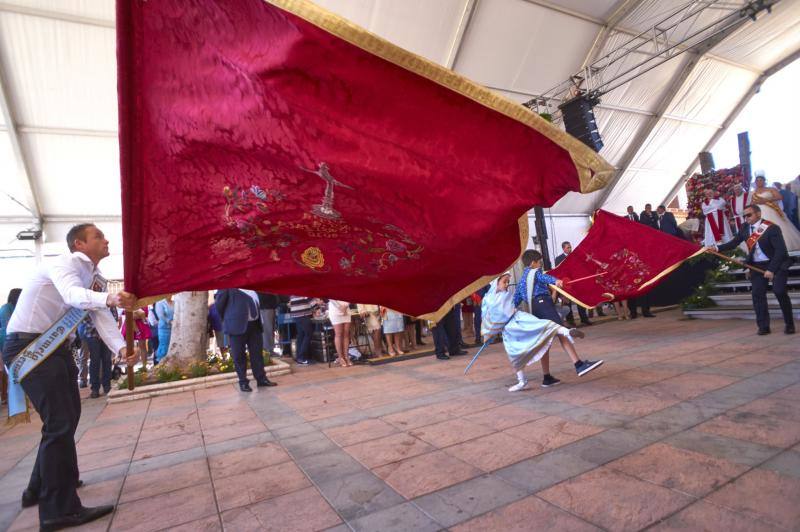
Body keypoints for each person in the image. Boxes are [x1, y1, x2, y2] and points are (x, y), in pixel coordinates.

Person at [2, 223, 138, 530]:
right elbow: (73, 295)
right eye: (98, 236)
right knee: (60, 423)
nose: (106, 240)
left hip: (55, 350)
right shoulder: (62, 264)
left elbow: (100, 316)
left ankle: (40, 487)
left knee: (65, 419)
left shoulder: (93, 277)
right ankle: (57, 510)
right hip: (31, 346)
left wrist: (119, 350)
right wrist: (110, 299)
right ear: (79, 244)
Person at [485, 272, 602, 391]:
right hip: (517, 323)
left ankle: (547, 375)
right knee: (518, 350)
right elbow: (494, 316)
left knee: (544, 333)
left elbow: (514, 303)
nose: (507, 285)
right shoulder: (532, 272)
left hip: (518, 322)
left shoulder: (516, 287)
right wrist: (556, 281)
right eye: (504, 282)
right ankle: (525, 380)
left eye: (507, 282)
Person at [515, 249, 604, 384]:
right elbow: (543, 277)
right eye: (539, 262)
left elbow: (515, 300)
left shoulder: (521, 281)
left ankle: (547, 377)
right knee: (561, 332)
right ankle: (578, 365)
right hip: (544, 304)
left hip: (535, 310)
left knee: (545, 342)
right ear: (533, 263)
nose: (540, 266)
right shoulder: (535, 272)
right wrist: (557, 281)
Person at [711, 204, 795, 335]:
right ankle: (763, 326)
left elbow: (780, 251)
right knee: (757, 295)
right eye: (744, 216)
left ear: (758, 214)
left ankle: (789, 324)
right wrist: (717, 248)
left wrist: (771, 270)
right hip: (756, 265)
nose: (746, 218)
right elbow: (734, 243)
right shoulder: (744, 228)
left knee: (779, 292)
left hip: (776, 264)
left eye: (749, 215)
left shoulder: (772, 228)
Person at [215, 289, 277, 391]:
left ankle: (261, 379)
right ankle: (243, 382)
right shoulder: (227, 285)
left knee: (257, 354)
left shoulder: (251, 286)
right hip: (236, 326)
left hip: (255, 325)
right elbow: (219, 306)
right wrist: (229, 318)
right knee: (239, 356)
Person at [752, 175, 800, 251]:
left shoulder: (771, 189)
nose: (759, 182)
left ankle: (782, 246)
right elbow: (752, 203)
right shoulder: (753, 192)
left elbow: (780, 197)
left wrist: (765, 200)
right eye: (757, 180)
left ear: (764, 181)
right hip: (758, 213)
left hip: (770, 211)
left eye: (761, 180)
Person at [554, 241, 591, 326]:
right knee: (568, 302)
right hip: (566, 282)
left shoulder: (576, 256)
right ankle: (570, 320)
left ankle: (584, 319)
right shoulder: (559, 259)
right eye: (568, 247)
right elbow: (559, 271)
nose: (570, 249)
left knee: (580, 300)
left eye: (570, 247)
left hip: (576, 281)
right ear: (563, 249)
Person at [77, 315, 114, 398]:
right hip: (91, 334)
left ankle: (107, 385)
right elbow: (84, 318)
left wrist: (105, 330)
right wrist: (99, 329)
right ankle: (95, 388)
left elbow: (112, 315)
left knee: (107, 359)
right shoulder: (87, 302)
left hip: (107, 333)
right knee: (95, 360)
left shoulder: (107, 302)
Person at [0, 288, 21, 405]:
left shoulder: (15, 307)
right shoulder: (6, 308)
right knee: (8, 370)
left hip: (14, 340)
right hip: (7, 341)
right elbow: (9, 325)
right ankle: (9, 396)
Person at [289, 296, 319, 365]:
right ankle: (301, 357)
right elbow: (309, 298)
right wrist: (317, 308)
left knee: (301, 335)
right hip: (303, 314)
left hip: (296, 315)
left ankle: (299, 357)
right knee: (308, 334)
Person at [328, 299, 353, 366]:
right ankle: (340, 357)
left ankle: (346, 356)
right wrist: (340, 307)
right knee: (338, 334)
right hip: (335, 309)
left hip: (346, 309)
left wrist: (346, 306)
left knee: (346, 334)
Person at [154, 295, 174, 364]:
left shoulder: (174, 302)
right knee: (164, 345)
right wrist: (169, 321)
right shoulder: (160, 303)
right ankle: (161, 363)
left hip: (174, 329)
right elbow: (160, 315)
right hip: (164, 328)